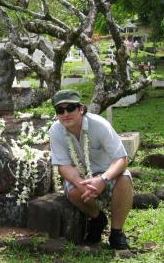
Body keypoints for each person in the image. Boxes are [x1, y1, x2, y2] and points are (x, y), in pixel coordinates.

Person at [49, 90, 133, 250]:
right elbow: (63, 166)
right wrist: (80, 183)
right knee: (73, 191)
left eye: (70, 108)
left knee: (125, 178)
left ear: (80, 109)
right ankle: (97, 218)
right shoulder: (56, 131)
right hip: (81, 178)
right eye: (60, 110)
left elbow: (122, 158)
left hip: (107, 173)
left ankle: (116, 232)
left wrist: (103, 179)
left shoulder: (99, 125)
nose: (65, 114)